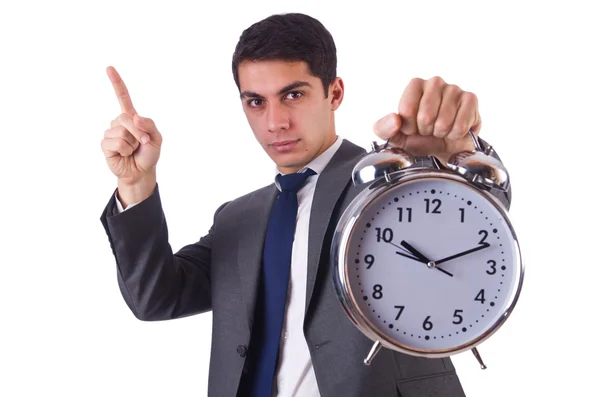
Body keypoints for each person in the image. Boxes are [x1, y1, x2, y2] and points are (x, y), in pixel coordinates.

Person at [99, 12, 511, 397]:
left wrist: (452, 155)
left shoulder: (390, 189)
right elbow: (154, 298)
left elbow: (480, 219)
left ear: (334, 93)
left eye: (293, 94)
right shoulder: (236, 219)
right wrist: (135, 183)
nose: (275, 121)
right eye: (256, 101)